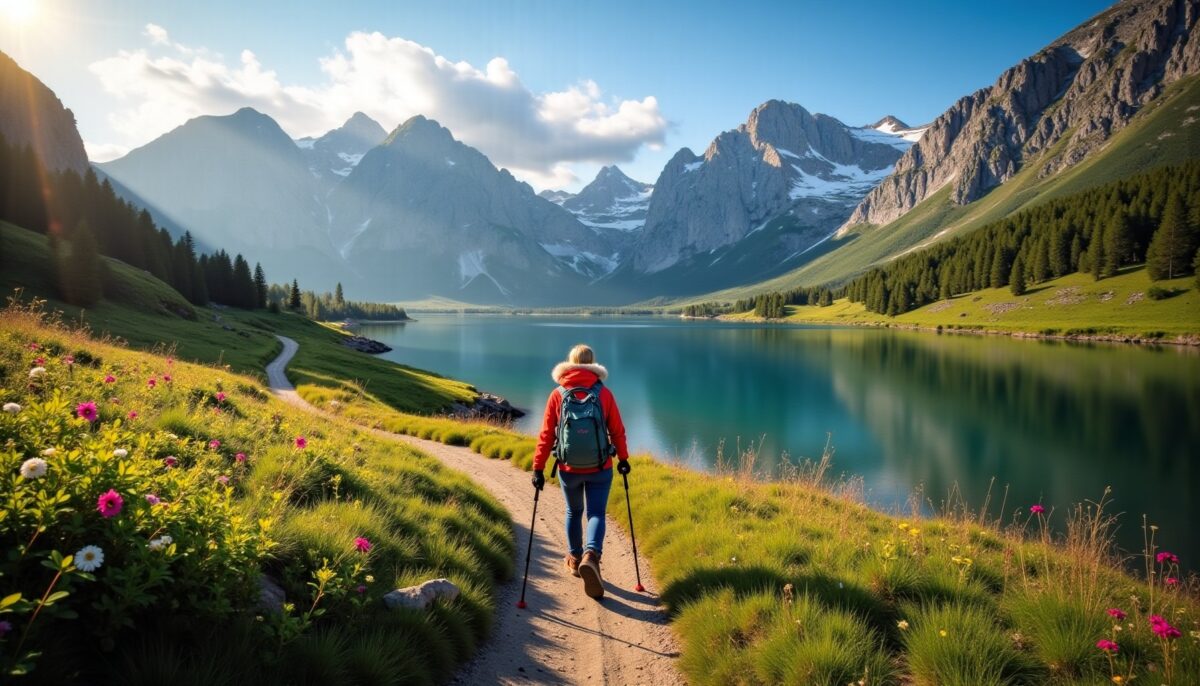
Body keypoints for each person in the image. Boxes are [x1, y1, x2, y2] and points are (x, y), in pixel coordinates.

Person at [531, 344, 630, 599]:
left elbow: (545, 434)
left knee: (573, 512)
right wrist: (623, 458)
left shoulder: (558, 394)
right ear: (592, 364)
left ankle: (575, 559)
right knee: (596, 512)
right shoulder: (603, 393)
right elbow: (617, 429)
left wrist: (538, 468)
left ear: (570, 363)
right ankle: (591, 555)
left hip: (568, 468)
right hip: (600, 467)